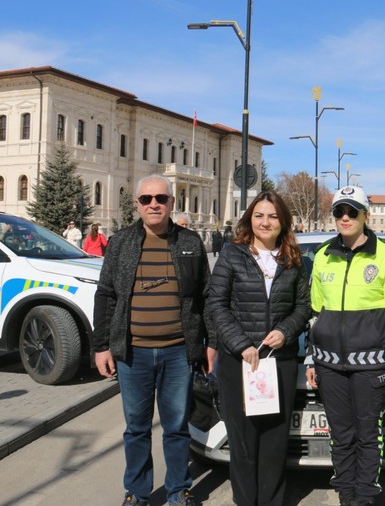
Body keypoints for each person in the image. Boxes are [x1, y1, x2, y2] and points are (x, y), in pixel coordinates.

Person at [92, 174, 215, 506]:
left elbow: (206, 296)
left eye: (161, 198)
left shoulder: (190, 242)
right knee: (136, 429)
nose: (154, 204)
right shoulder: (120, 243)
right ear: (137, 205)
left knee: (176, 428)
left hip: (178, 352)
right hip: (134, 354)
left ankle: (178, 490)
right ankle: (138, 491)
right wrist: (100, 346)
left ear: (172, 203)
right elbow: (105, 296)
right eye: (146, 199)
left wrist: (211, 343)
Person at [305, 185, 385, 506]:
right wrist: (311, 360)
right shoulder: (323, 256)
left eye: (353, 211)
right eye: (339, 211)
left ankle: (363, 499)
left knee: (367, 437)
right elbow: (314, 315)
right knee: (341, 438)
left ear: (366, 215)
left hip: (372, 368)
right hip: (329, 367)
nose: (346, 217)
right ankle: (346, 496)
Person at [207, 191, 311, 506]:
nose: (265, 222)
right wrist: (241, 344)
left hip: (279, 362)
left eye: (273, 216)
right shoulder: (232, 254)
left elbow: (304, 306)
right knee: (244, 442)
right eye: (259, 215)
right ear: (250, 219)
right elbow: (216, 303)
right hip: (239, 364)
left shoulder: (294, 259)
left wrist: (285, 330)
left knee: (274, 442)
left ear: (283, 222)